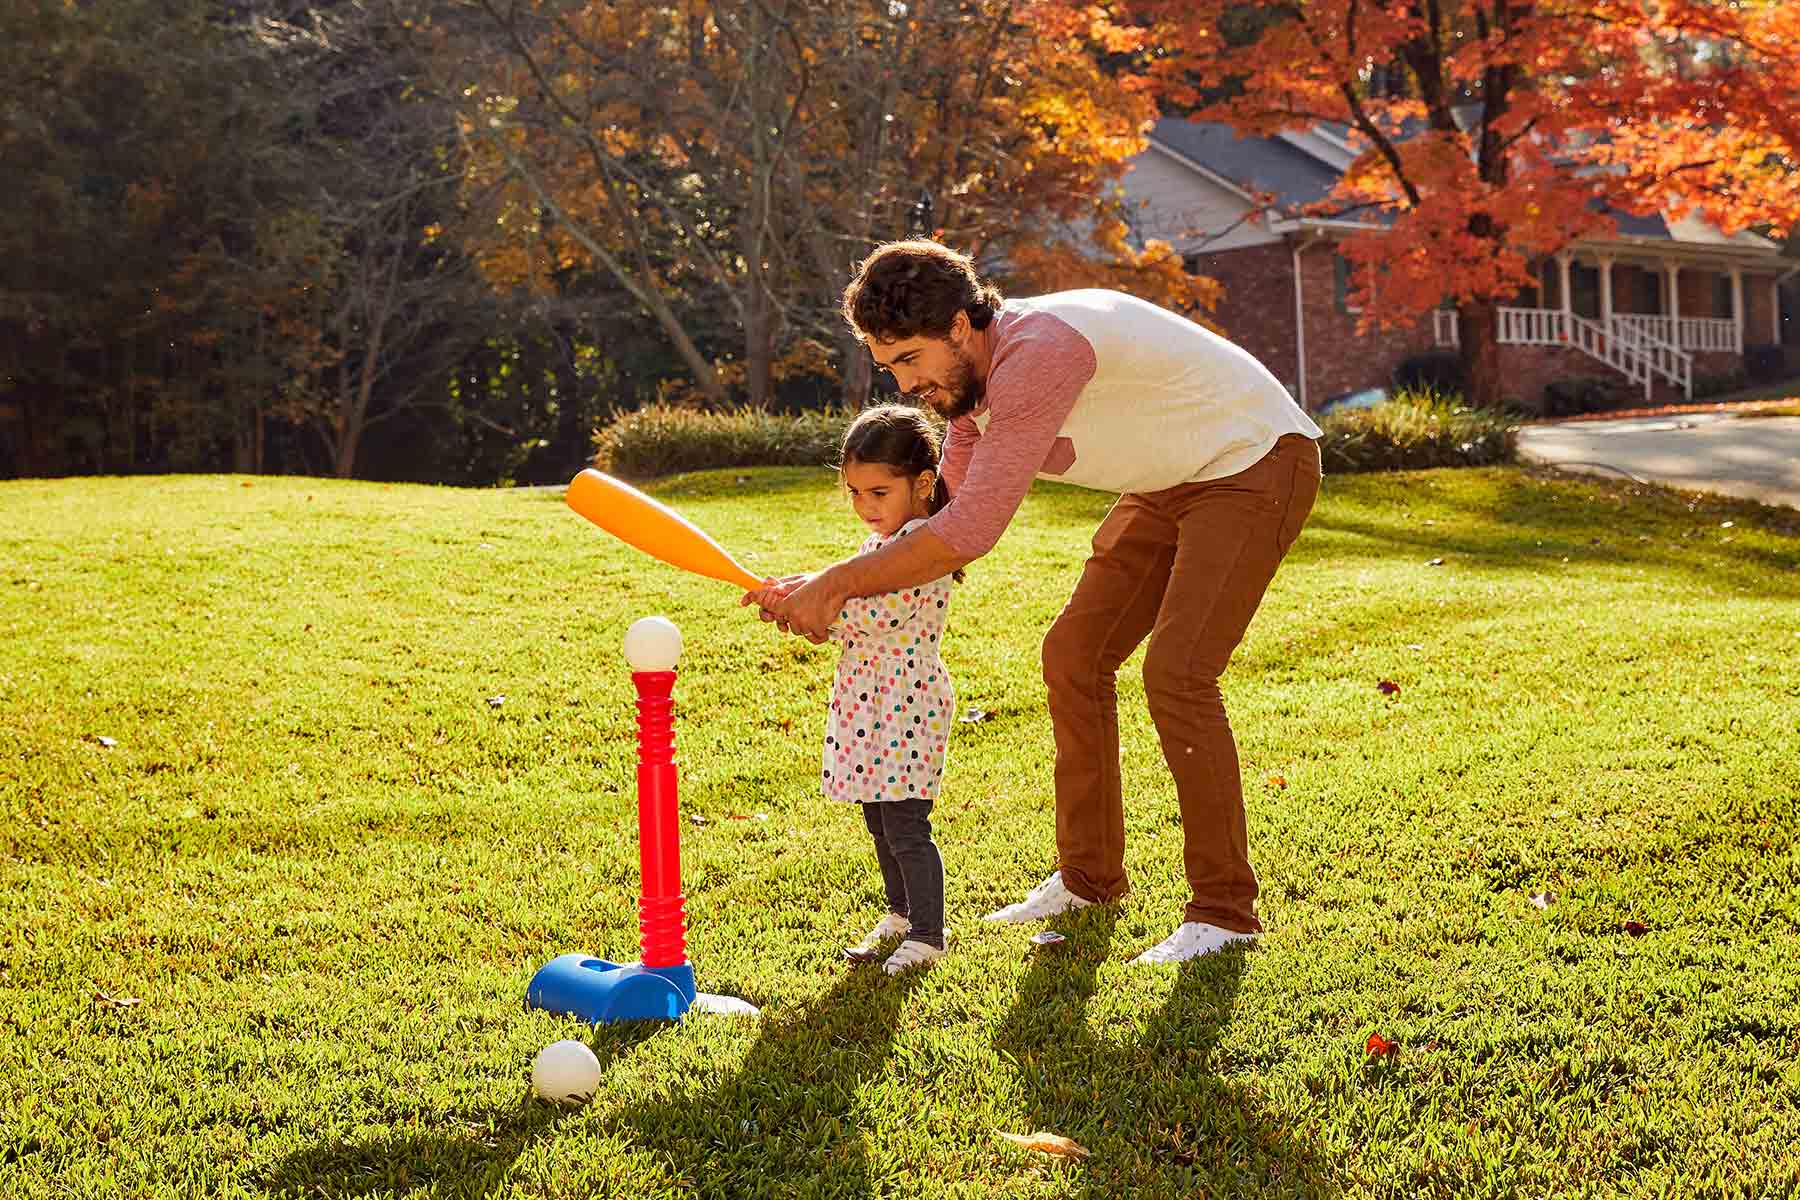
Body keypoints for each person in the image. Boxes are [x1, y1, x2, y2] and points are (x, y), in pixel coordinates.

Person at [748, 240, 1323, 965]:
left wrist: (836, 585)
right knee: (1074, 656)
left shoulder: (1037, 355)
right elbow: (930, 525)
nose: (905, 383)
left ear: (961, 326)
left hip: (1254, 461)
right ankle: (1089, 880)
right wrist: (820, 584)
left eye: (911, 359)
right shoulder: (966, 396)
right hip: (1169, 480)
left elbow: (970, 532)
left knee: (1177, 673)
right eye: (890, 365)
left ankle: (1223, 913)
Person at [751, 404, 960, 975]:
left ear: (921, 484)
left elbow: (878, 612)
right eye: (854, 493)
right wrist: (792, 594)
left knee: (906, 824)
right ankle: (899, 914)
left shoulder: (926, 543)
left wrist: (808, 605)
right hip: (869, 702)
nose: (865, 507)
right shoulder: (879, 545)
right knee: (876, 815)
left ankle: (929, 933)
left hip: (907, 704)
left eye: (878, 492)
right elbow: (841, 595)